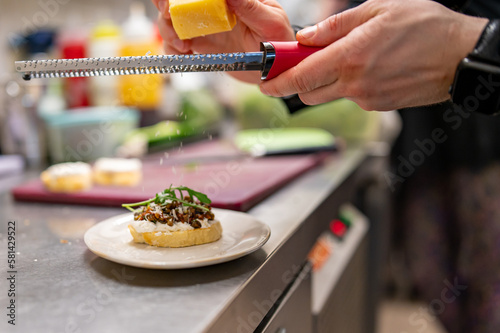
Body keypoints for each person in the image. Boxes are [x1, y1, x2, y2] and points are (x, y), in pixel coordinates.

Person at [152, 1, 500, 332]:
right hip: (428, 144)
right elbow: (366, 38)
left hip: (488, 147)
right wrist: (276, 52)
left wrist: (470, 45)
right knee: (440, 280)